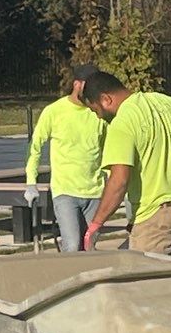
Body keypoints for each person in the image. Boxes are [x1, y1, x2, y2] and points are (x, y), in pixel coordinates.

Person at [82, 71, 171, 257]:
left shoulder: (122, 123)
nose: (99, 117)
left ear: (106, 99)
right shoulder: (168, 103)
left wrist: (96, 224)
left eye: (95, 110)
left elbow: (119, 181)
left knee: (144, 274)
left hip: (156, 219)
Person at [24, 63, 108, 253]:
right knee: (72, 245)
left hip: (95, 192)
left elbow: (109, 148)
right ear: (77, 85)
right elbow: (35, 147)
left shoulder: (98, 112)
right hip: (65, 191)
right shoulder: (54, 112)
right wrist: (31, 182)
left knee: (90, 246)